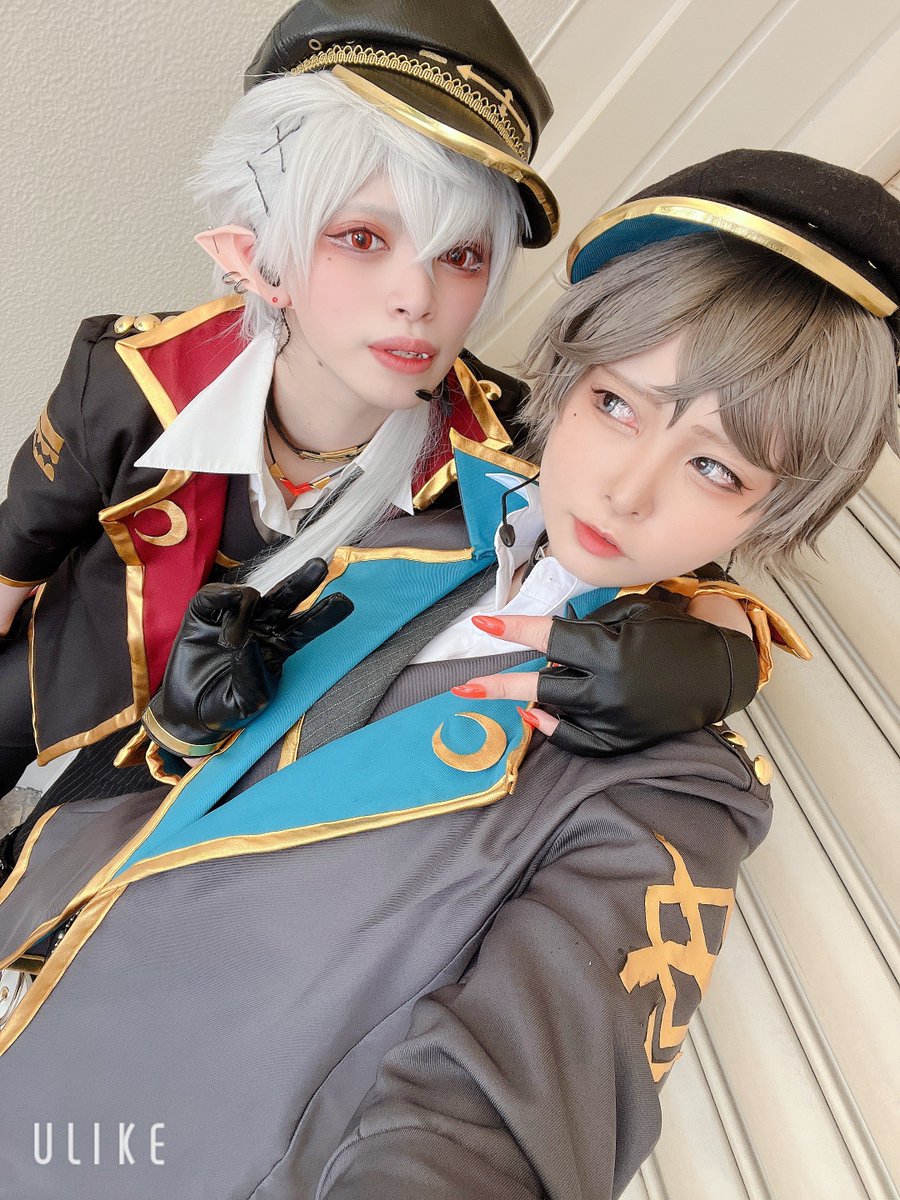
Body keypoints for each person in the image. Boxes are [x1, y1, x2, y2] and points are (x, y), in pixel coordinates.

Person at [0, 149, 895, 1198]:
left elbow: (509, 1111)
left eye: (714, 467)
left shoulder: (679, 790)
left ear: (775, 511)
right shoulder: (416, 523)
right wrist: (185, 728)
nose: (628, 488)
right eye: (616, 405)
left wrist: (728, 650)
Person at [0, 0, 763, 840]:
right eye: (362, 237)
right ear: (258, 255)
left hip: (239, 758)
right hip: (76, 671)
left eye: (462, 255)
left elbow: (690, 564)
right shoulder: (125, 376)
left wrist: (719, 664)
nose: (417, 297)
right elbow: (19, 551)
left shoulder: (510, 440)